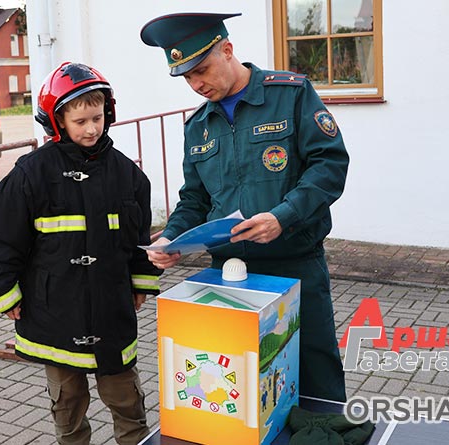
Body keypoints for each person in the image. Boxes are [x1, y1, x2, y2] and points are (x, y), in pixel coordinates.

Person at [141, 12, 349, 402]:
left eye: (201, 70)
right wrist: (172, 237)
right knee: (241, 383)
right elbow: (195, 198)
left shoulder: (290, 94)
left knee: (315, 375)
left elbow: (329, 165)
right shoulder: (198, 126)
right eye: (187, 78)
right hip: (229, 274)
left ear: (227, 50)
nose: (196, 84)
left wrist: (283, 217)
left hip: (295, 265)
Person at [0, 62, 161, 445]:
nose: (91, 129)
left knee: (126, 398)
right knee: (67, 402)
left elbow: (139, 237)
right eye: (80, 122)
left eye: (97, 118)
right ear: (57, 122)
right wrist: (4, 295)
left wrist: (141, 282)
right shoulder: (31, 175)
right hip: (53, 311)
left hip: (111, 309)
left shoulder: (128, 175)